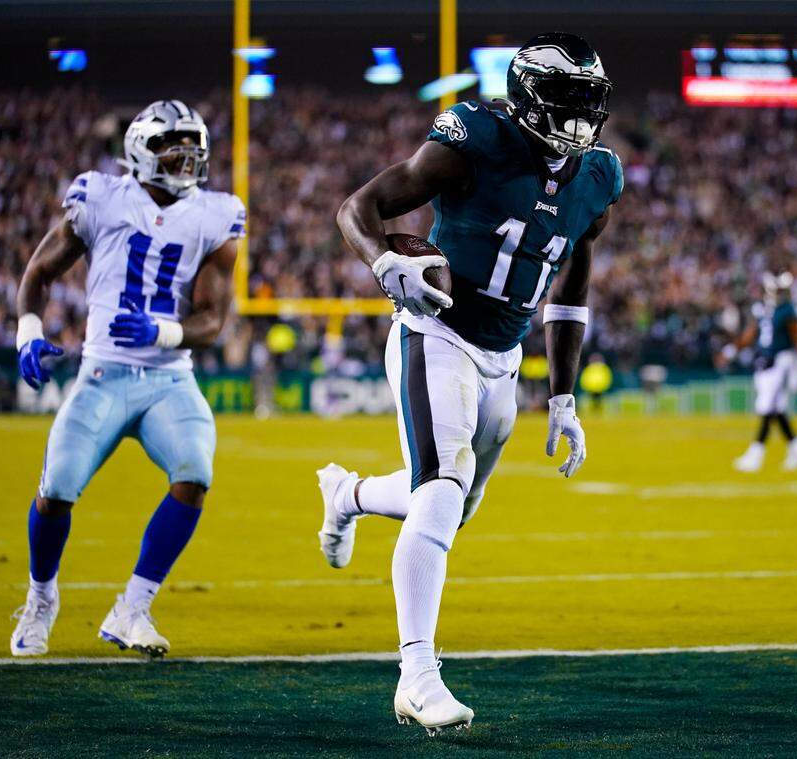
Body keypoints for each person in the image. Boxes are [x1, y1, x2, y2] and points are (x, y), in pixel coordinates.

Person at [321, 33, 621, 733]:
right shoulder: (473, 139)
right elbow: (358, 208)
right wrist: (380, 262)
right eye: (567, 101)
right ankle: (417, 675)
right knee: (440, 490)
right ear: (527, 97)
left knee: (453, 504)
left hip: (505, 358)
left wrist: (564, 395)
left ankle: (350, 494)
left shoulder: (599, 177)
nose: (580, 119)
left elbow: (572, 283)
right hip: (439, 334)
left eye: (590, 103)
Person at [9, 101, 243, 658]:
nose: (186, 156)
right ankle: (41, 598)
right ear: (141, 147)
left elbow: (213, 321)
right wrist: (28, 333)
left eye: (193, 146)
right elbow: (39, 272)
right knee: (57, 488)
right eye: (172, 145)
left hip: (168, 377)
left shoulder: (216, 213)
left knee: (194, 471)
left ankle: (133, 608)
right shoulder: (101, 195)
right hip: (103, 371)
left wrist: (162, 334)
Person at [727, 272, 797, 472]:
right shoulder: (763, 309)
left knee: (767, 406)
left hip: (781, 362)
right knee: (776, 408)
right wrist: (731, 350)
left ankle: (756, 453)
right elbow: (751, 333)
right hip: (763, 362)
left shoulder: (788, 310)